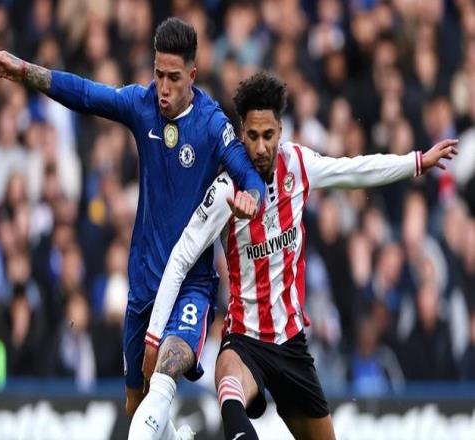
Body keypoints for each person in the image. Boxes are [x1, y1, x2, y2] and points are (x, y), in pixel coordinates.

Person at [0, 17, 265, 440]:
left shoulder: (212, 124)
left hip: (191, 285)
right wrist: (23, 70)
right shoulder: (141, 104)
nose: (164, 88)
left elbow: (251, 176)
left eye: (174, 78)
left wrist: (251, 199)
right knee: (137, 405)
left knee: (167, 369)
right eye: (158, 74)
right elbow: (84, 93)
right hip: (144, 284)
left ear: (192, 74)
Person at [142, 71, 458, 440]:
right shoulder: (226, 188)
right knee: (228, 376)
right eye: (253, 136)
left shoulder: (297, 164)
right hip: (245, 339)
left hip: (292, 345)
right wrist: (153, 338)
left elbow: (355, 170)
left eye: (269, 135)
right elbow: (181, 257)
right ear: (241, 133)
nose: (261, 147)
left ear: (281, 130)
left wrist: (416, 162)